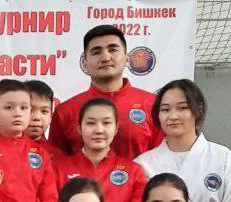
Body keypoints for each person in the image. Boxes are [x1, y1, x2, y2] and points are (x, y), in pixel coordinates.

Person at [50, 25, 161, 159]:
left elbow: (161, 160)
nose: (105, 58)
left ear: (127, 58)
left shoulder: (153, 105)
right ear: (85, 63)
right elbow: (55, 166)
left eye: (113, 50)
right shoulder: (65, 112)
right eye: (96, 52)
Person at [54, 98, 149, 202]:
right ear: (79, 128)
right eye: (91, 123)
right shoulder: (58, 169)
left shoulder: (133, 172)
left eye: (106, 123)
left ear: (116, 128)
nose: (99, 130)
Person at [25, 79, 65, 160]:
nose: (37, 117)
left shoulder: (59, 156)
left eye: (44, 111)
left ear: (51, 116)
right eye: (30, 110)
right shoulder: (0, 150)